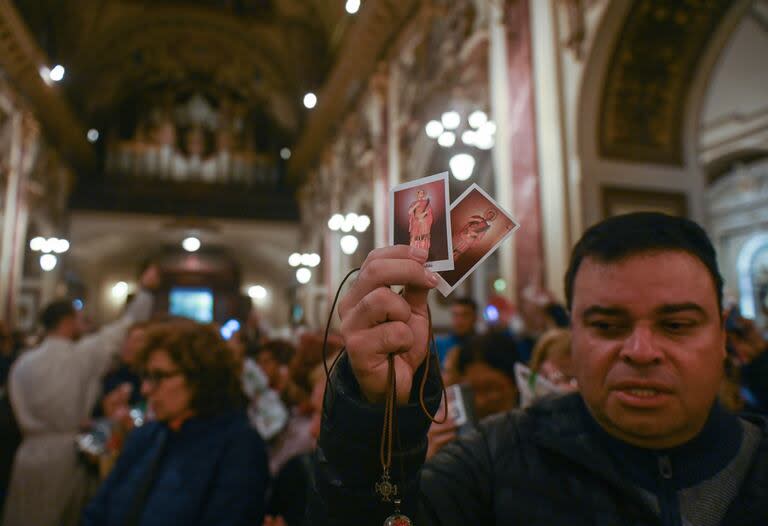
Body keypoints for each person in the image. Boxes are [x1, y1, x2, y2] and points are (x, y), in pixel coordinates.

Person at [311, 212, 768, 525]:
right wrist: (373, 411)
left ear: (723, 336)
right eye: (607, 324)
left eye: (676, 324)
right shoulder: (496, 459)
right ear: (573, 333)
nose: (641, 350)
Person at [2, 266, 158, 526]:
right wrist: (146, 291)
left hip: (27, 453)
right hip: (63, 456)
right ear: (67, 322)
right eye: (78, 318)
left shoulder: (23, 362)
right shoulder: (78, 357)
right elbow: (125, 327)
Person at [82, 320, 269, 526]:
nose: (145, 389)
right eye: (146, 376)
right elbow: (98, 511)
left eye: (159, 376)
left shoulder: (238, 447)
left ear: (199, 378)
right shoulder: (147, 436)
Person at [433, 297, 477, 366]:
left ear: (475, 317)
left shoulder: (483, 345)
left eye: (465, 315)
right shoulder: (437, 346)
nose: (459, 321)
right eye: (456, 315)